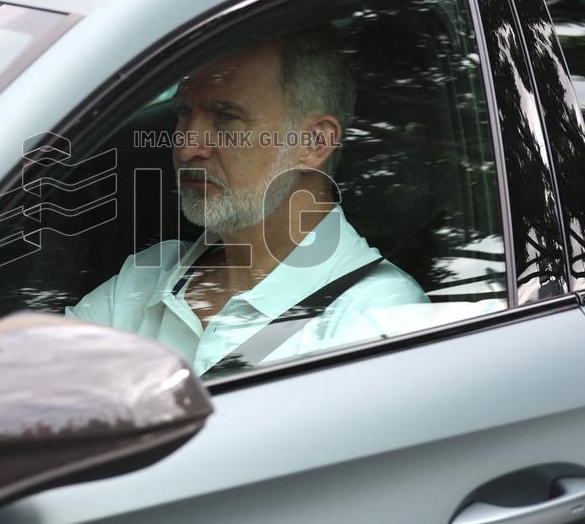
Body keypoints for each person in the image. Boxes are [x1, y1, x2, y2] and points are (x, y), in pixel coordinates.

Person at [66, 30, 428, 377]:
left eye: (226, 117)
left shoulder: (378, 317)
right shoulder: (146, 277)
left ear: (315, 142)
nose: (188, 147)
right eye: (183, 113)